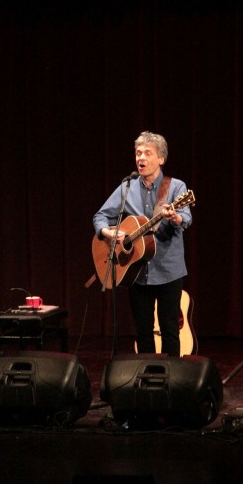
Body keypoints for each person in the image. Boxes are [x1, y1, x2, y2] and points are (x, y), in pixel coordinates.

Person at [93, 131, 193, 356]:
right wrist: (109, 232)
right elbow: (100, 216)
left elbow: (186, 218)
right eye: (138, 153)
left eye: (148, 153)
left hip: (168, 270)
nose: (141, 158)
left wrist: (175, 217)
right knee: (143, 331)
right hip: (137, 271)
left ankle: (171, 374)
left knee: (170, 329)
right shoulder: (127, 187)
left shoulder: (176, 187)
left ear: (161, 158)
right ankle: (148, 374)